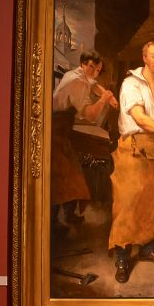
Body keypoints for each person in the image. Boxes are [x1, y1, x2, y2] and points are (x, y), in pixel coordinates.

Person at [108, 41, 154, 283]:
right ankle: (122, 257)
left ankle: (148, 249)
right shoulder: (131, 84)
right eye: (153, 57)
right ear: (144, 58)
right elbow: (140, 118)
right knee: (128, 202)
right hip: (133, 148)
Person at [50, 50, 117, 231]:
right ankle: (55, 223)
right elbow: (91, 115)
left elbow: (93, 83)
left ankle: (67, 216)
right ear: (82, 64)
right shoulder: (77, 82)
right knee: (63, 178)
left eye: (98, 69)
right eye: (91, 67)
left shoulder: (76, 73)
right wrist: (104, 99)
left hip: (61, 129)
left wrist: (105, 93)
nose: (94, 72)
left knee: (72, 175)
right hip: (56, 130)